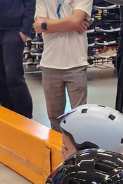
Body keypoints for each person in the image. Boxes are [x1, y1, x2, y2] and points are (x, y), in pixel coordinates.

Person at [32, 0, 92, 131]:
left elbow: (76, 21)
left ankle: (77, 150)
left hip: (76, 63)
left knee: (80, 117)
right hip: (50, 64)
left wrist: (46, 25)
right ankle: (58, 149)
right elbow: (37, 26)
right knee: (54, 117)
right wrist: (70, 24)